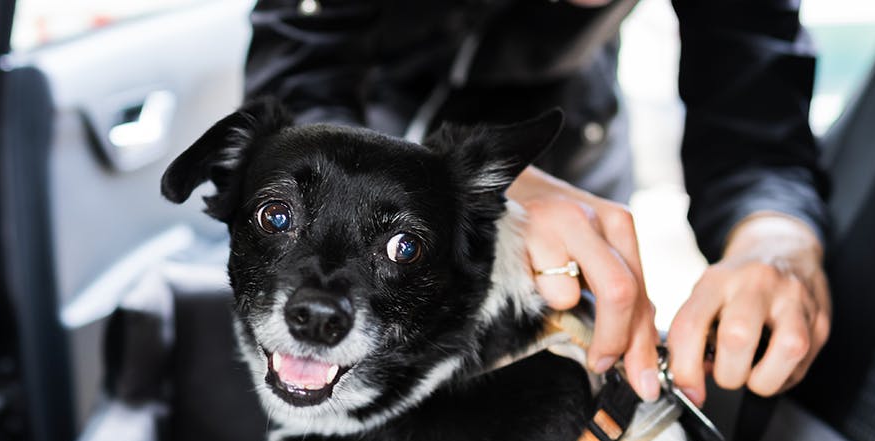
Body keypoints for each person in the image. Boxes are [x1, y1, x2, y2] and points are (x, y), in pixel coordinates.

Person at [246, 0, 831, 406]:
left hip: (568, 145)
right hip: (364, 132)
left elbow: (756, 125)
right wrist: (455, 191)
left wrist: (776, 241)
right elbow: (299, 82)